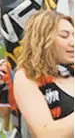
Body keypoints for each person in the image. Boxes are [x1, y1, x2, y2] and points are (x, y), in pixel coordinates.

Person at [14, 10, 74, 138]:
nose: (73, 42)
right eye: (64, 36)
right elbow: (45, 133)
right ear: (43, 40)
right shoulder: (27, 76)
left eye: (74, 35)